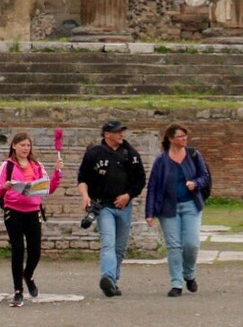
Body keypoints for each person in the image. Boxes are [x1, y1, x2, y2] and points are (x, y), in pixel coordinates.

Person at [0, 131, 63, 307]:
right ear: (14, 146)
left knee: (35, 250)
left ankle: (28, 274)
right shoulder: (6, 166)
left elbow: (48, 188)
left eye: (28, 145)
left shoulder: (37, 165)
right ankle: (18, 291)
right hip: (13, 211)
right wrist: (5, 187)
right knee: (18, 249)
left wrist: (57, 172)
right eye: (22, 145)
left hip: (33, 210)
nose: (25, 148)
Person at [77, 119, 146, 299]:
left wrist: (128, 196)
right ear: (107, 134)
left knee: (120, 247)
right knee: (108, 242)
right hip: (104, 206)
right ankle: (107, 277)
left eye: (122, 131)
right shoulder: (94, 153)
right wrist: (85, 196)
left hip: (124, 207)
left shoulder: (130, 154)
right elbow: (82, 178)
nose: (121, 134)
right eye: (117, 132)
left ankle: (112, 281)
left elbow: (140, 181)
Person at [145, 123, 211, 297]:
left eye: (185, 136)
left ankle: (189, 274)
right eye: (180, 136)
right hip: (168, 208)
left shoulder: (194, 155)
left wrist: (195, 183)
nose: (184, 139)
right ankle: (176, 284)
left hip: (190, 205)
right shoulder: (161, 160)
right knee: (174, 246)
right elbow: (153, 186)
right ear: (171, 139)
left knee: (191, 244)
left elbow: (205, 176)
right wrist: (149, 212)